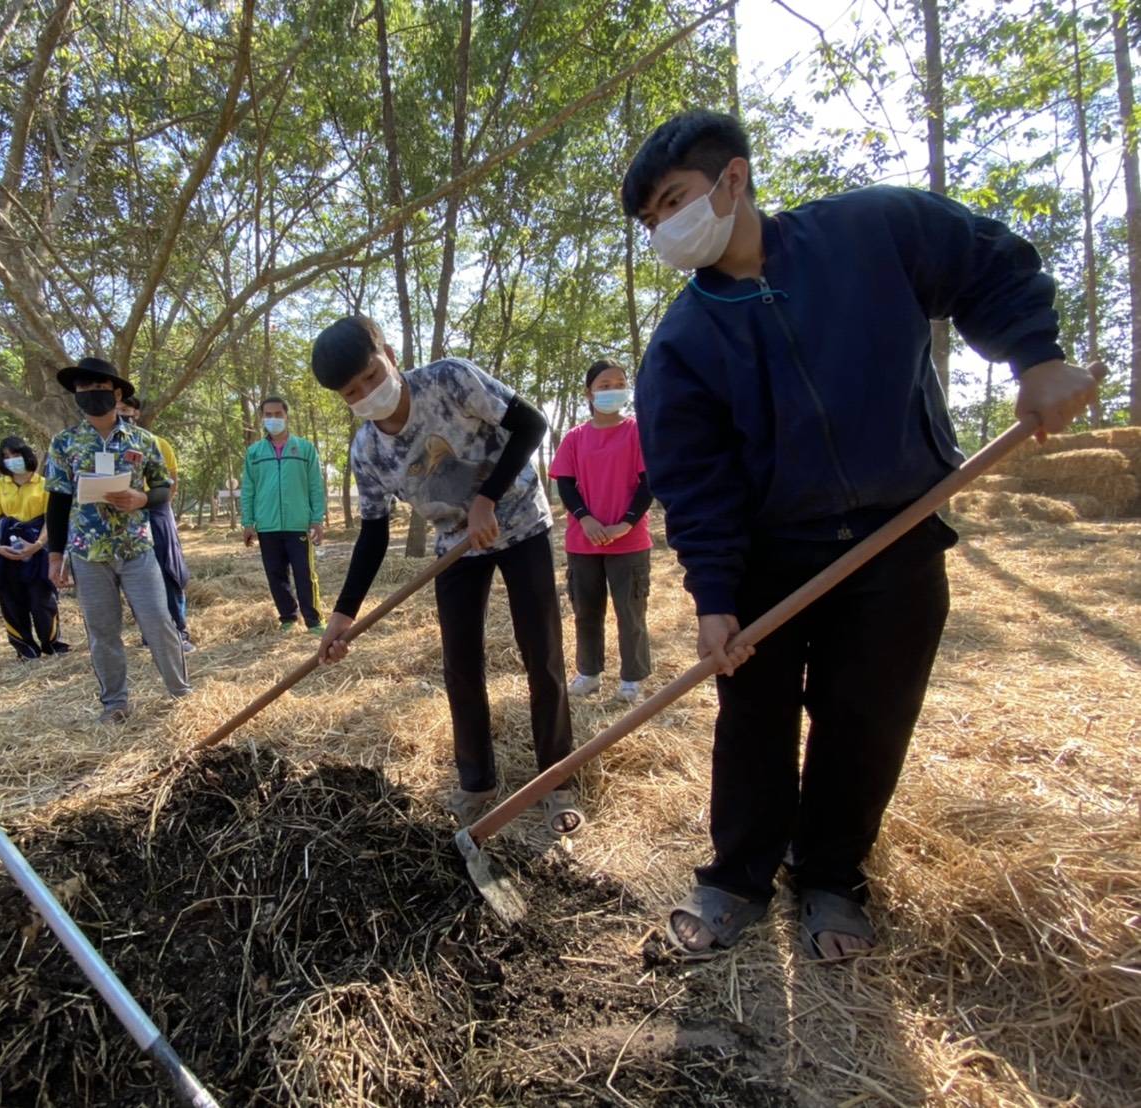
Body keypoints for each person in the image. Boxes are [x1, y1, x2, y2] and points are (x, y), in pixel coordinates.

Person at [624, 110, 1100, 960]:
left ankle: (833, 877)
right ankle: (737, 875)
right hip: (774, 554)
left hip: (896, 535)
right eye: (651, 219)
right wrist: (717, 598)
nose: (664, 228)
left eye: (673, 200)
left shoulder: (869, 231)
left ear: (733, 179)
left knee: (866, 719)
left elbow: (985, 262)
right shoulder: (682, 345)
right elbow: (696, 485)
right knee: (754, 717)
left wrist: (1036, 357)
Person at [311, 316, 582, 836]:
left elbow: (531, 424)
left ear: (388, 353)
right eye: (353, 392)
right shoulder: (366, 453)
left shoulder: (451, 379)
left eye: (372, 375)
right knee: (460, 664)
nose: (368, 392)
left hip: (520, 521)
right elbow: (372, 536)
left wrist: (487, 498)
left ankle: (556, 780)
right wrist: (343, 616)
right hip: (454, 547)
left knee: (541, 653)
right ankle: (476, 782)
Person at [44, 357, 191, 723]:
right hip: (88, 554)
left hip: (137, 549)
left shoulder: (143, 441)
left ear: (118, 393)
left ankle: (181, 694)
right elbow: (58, 501)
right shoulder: (64, 443)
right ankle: (115, 704)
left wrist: (143, 498)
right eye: (83, 389)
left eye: (99, 389)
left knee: (158, 621)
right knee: (103, 632)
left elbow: (163, 488)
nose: (91, 395)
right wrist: (54, 555)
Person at [549, 358, 653, 703]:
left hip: (630, 540)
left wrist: (626, 523)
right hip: (584, 541)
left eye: (619, 384)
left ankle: (632, 680)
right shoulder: (575, 439)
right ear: (589, 393)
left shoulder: (639, 432)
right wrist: (586, 519)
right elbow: (565, 483)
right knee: (586, 612)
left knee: (631, 612)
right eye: (604, 386)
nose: (612, 390)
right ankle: (589, 673)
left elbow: (647, 482)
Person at [240, 396, 327, 634]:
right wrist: (248, 523)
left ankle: (314, 621)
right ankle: (288, 617)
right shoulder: (254, 453)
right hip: (267, 526)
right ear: (262, 418)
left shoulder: (305, 449)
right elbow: (248, 489)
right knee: (276, 575)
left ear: (286, 416)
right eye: (268, 414)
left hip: (298, 524)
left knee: (304, 574)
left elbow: (315, 487)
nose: (273, 419)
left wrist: (317, 520)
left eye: (278, 414)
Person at [0, 436, 69, 660]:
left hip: (38, 550)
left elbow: (52, 518)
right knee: (11, 599)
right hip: (6, 551)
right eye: (6, 457)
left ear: (26, 455)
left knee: (42, 599)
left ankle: (51, 643)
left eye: (15, 455)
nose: (11, 461)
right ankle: (24, 648)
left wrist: (37, 544)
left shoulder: (44, 484)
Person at [117, 396, 193, 653]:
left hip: (156, 513)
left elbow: (170, 483)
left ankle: (179, 632)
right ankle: (150, 635)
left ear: (136, 413)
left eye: (125, 409)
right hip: (125, 521)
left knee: (168, 574)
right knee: (137, 578)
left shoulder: (155, 443)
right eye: (116, 409)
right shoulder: (104, 447)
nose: (120, 413)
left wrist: (151, 504)